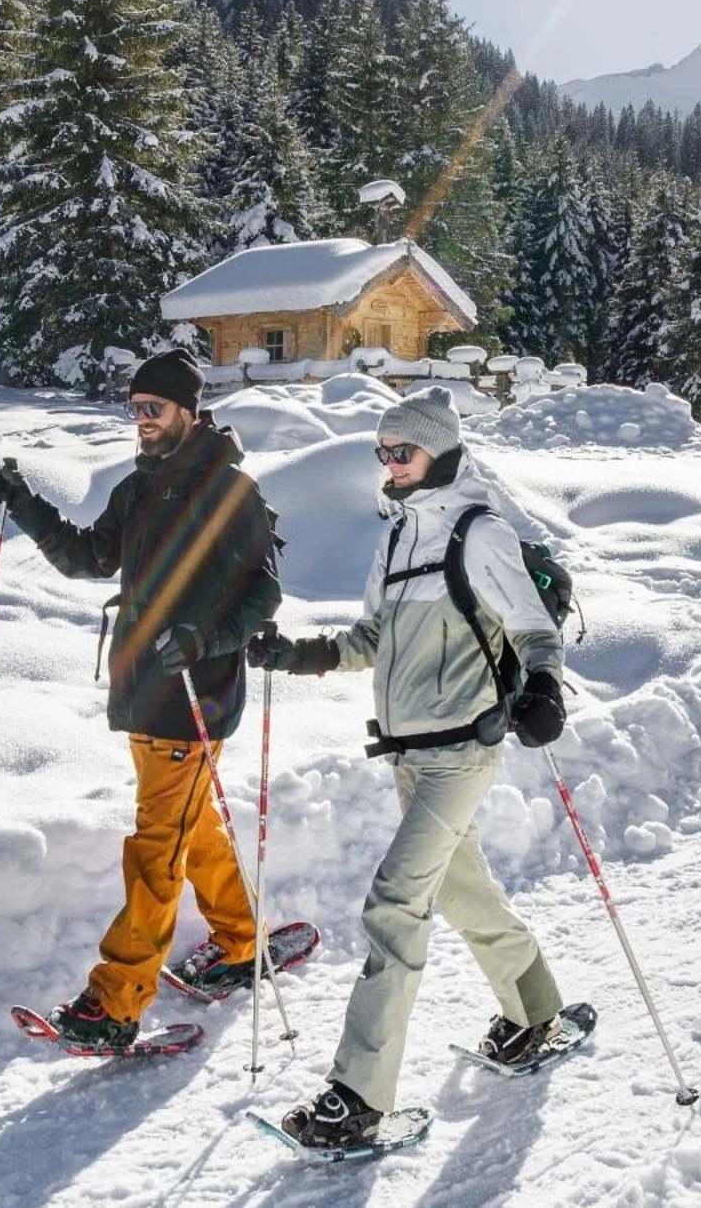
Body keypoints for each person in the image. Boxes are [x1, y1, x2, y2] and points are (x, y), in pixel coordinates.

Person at [248, 386, 572, 1148]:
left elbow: (530, 629)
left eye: (405, 451)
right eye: (383, 453)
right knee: (462, 890)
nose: (390, 465)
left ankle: (357, 1097)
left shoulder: (478, 532)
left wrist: (547, 689)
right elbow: (370, 636)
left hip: (463, 748)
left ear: (442, 451)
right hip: (408, 755)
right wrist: (300, 652)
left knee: (395, 905)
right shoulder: (394, 540)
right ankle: (536, 1009)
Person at [0, 348, 290, 1047]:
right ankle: (243, 941)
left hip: (196, 699)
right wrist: (26, 504)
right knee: (192, 828)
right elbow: (88, 557)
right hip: (143, 697)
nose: (142, 422)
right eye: (135, 410)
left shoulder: (230, 492)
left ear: (188, 410)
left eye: (153, 409)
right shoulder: (140, 488)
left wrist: (201, 638)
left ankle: (116, 1001)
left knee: (156, 851)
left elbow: (263, 591)